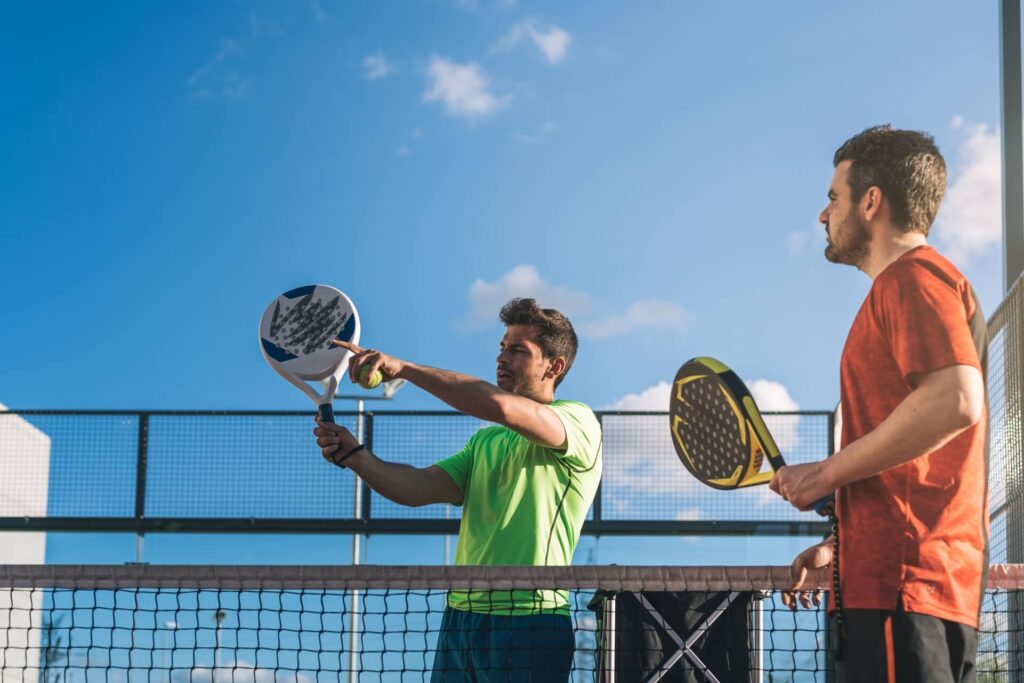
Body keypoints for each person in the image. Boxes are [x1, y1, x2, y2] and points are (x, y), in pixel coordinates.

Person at [769, 125, 988, 682]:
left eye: (832, 198)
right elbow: (913, 461)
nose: (824, 215)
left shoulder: (913, 279)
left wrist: (823, 475)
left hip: (904, 588)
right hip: (892, 585)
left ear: (871, 202)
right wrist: (841, 544)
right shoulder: (907, 287)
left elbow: (955, 400)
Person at [313, 297, 602, 682]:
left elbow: (499, 406)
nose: (502, 357)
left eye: (517, 350)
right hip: (461, 616)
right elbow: (417, 488)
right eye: (501, 347)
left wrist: (403, 369)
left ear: (555, 366)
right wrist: (356, 456)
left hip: (532, 616)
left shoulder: (578, 422)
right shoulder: (484, 443)